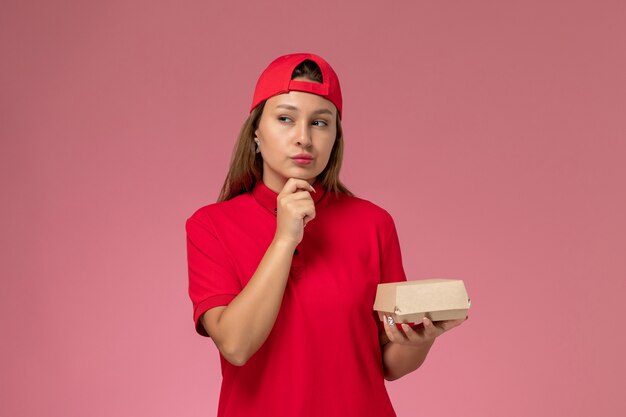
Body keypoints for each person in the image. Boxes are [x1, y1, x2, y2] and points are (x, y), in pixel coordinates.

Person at [185, 53, 466, 417]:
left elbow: (390, 363)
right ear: (256, 131)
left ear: (335, 136)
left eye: (320, 122)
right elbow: (236, 345)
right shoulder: (211, 226)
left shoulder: (373, 223)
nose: (304, 138)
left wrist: (422, 339)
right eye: (285, 118)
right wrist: (285, 239)